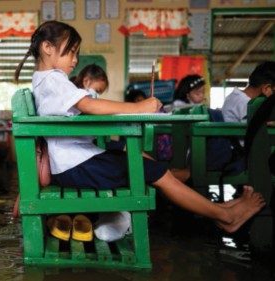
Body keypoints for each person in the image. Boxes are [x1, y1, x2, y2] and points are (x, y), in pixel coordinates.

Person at [14, 20, 265, 234]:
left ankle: (220, 210)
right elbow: (88, 106)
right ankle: (225, 217)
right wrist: (138, 107)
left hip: (74, 162)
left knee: (143, 159)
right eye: (71, 52)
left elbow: (82, 107)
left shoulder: (45, 81)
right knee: (156, 171)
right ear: (47, 48)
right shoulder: (54, 80)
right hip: (76, 166)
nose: (75, 59)